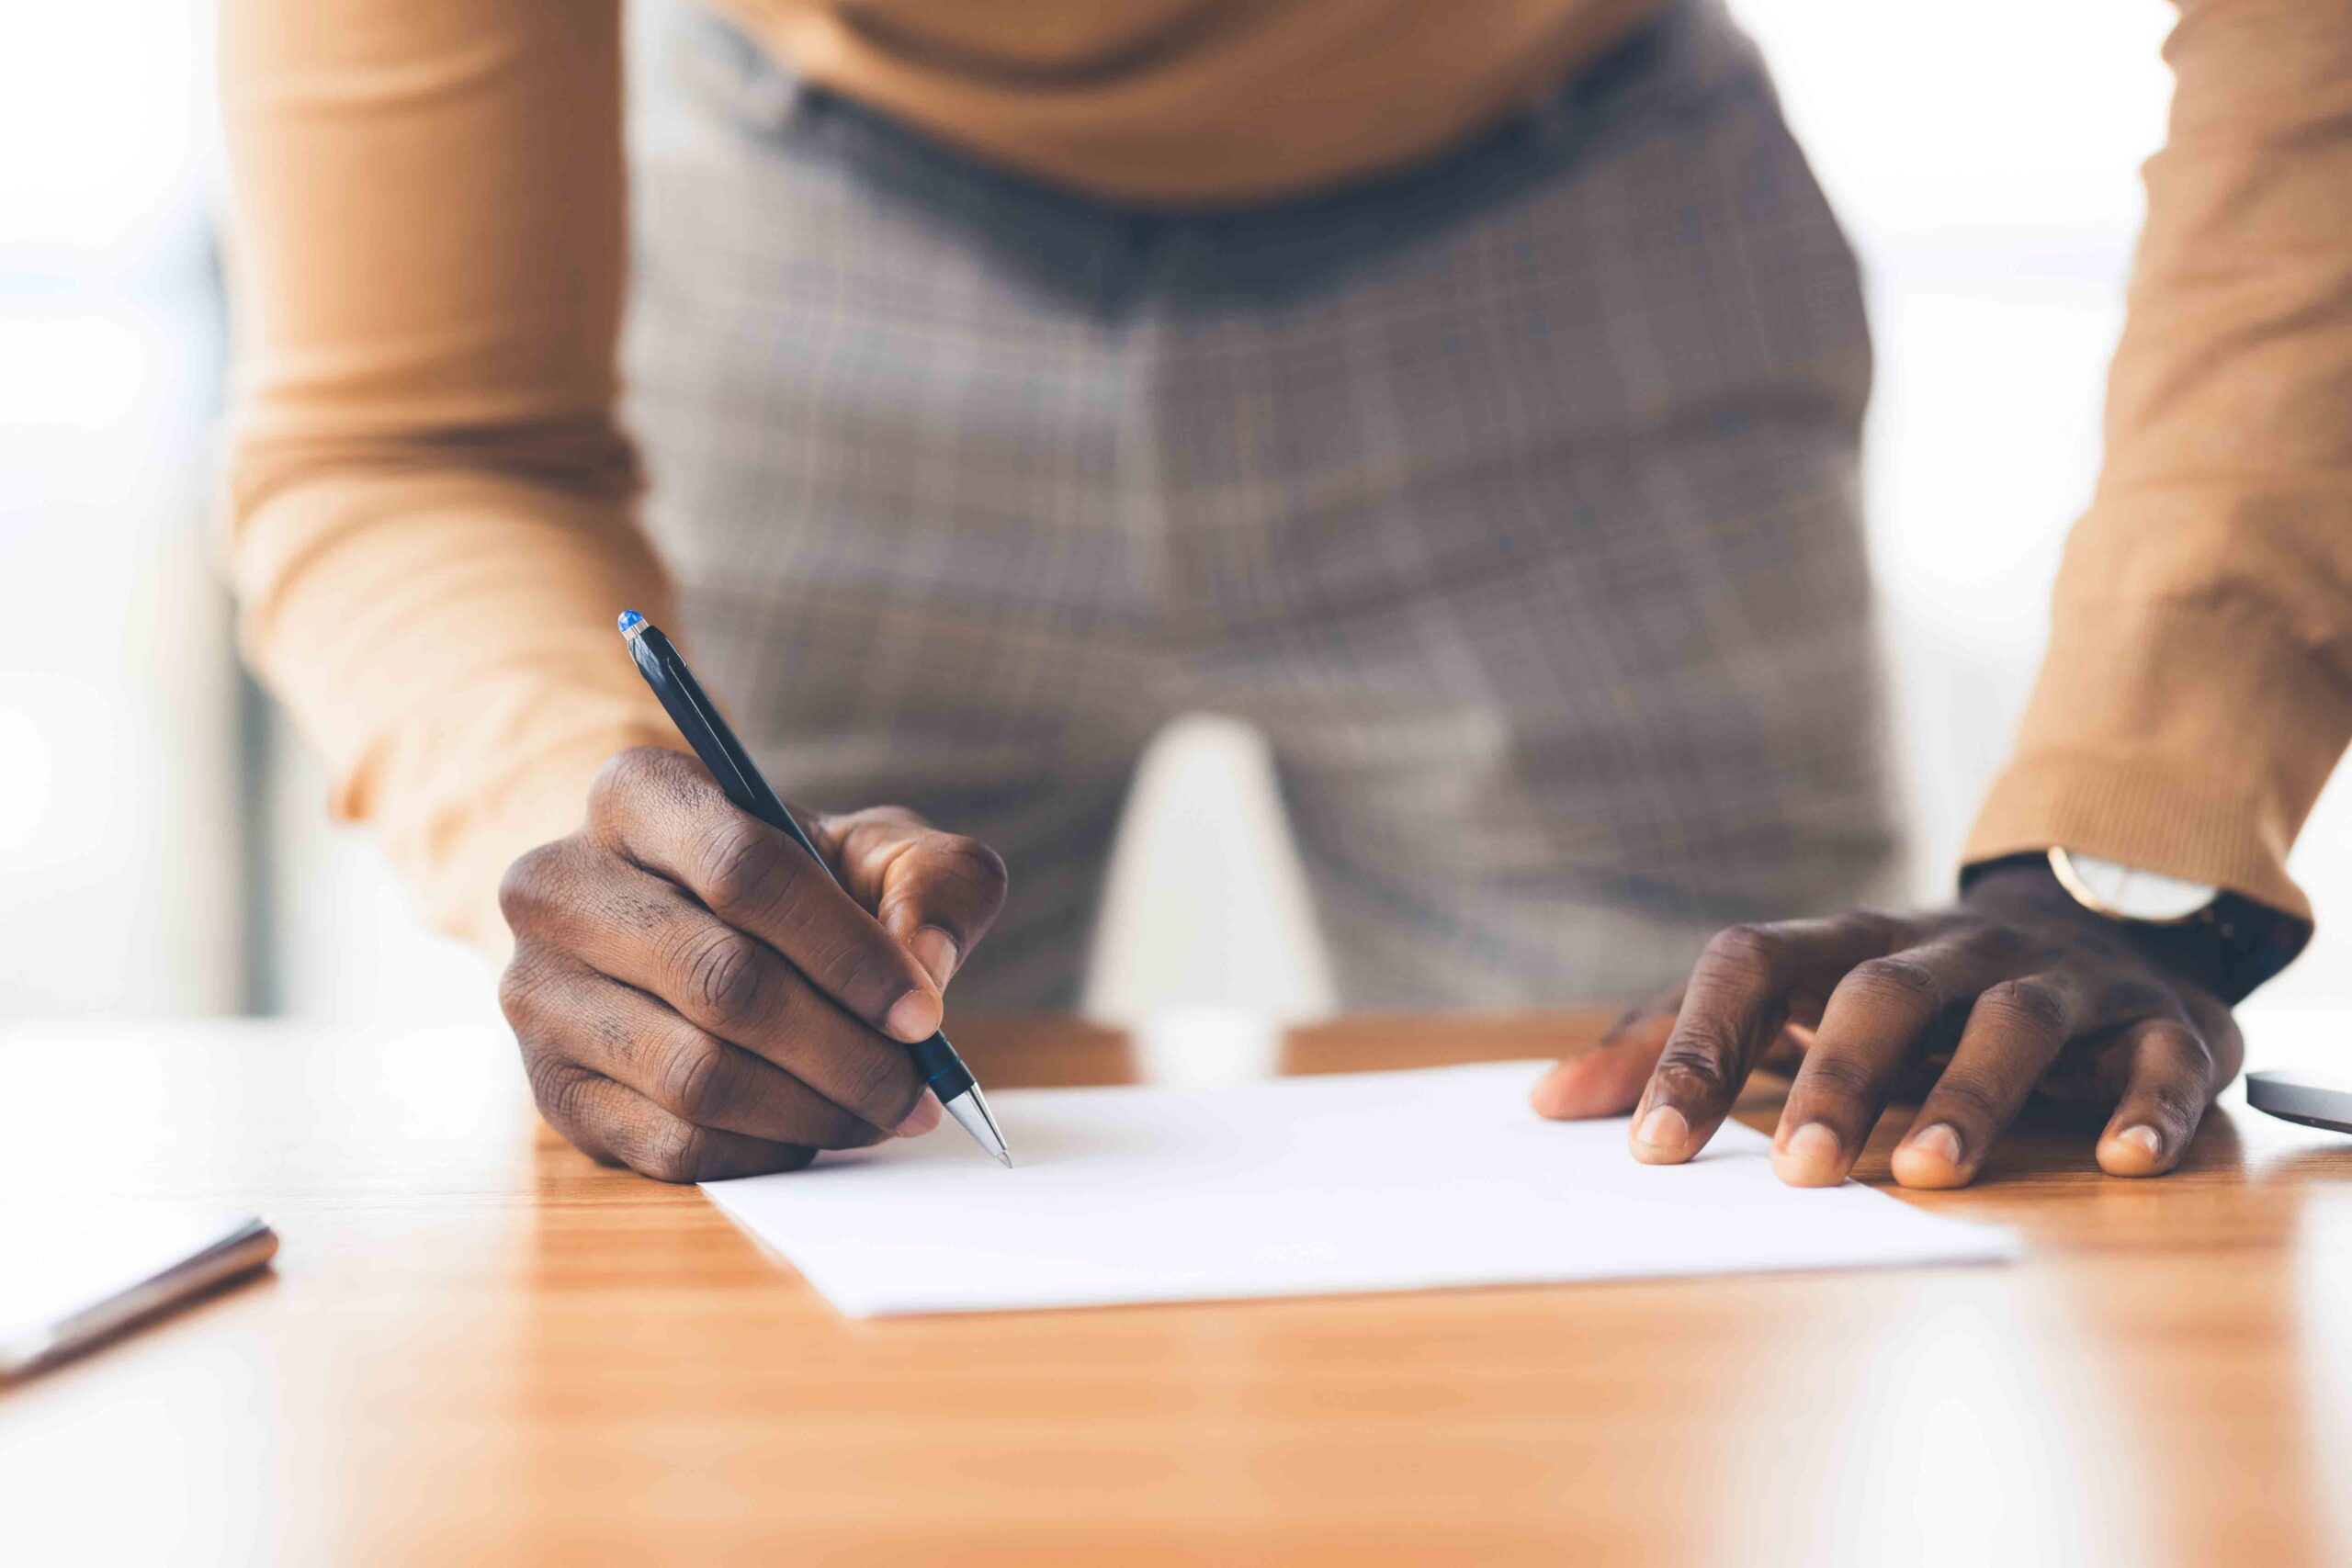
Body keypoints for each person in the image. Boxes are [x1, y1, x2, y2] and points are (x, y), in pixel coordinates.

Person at [214, 0, 2327, 1187]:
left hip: (1582, 240)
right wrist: (580, 828)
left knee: (1753, 1188)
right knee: (743, 1171)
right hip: (793, 276)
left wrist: (2132, 832)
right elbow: (418, 438)